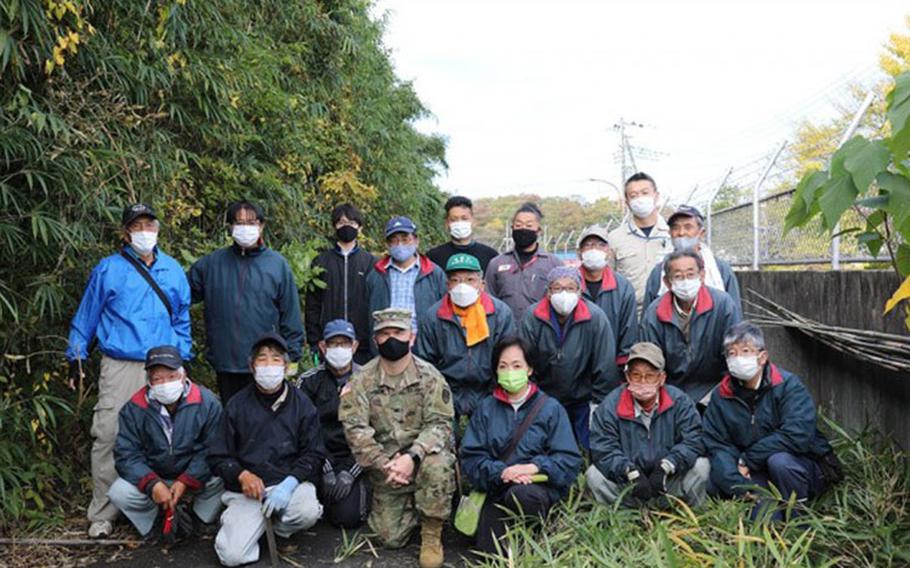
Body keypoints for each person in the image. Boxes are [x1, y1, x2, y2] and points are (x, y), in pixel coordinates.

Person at [66, 203, 192, 538]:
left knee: (168, 436)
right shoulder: (108, 270)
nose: (144, 232)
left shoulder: (173, 270)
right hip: (120, 363)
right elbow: (86, 318)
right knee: (108, 433)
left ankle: (167, 507)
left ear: (158, 228)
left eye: (149, 225)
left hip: (165, 365)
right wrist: (75, 359)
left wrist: (183, 357)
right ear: (126, 233)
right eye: (137, 226)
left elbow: (181, 319)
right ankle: (103, 514)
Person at [338, 309, 456, 568]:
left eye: (398, 332)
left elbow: (440, 424)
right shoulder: (362, 380)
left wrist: (412, 457)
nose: (392, 338)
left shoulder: (430, 376)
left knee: (438, 464)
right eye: (384, 333)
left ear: (411, 337)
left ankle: (431, 531)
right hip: (387, 469)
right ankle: (410, 505)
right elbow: (355, 430)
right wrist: (386, 464)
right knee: (388, 538)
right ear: (376, 339)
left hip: (423, 459)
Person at [703, 322, 842, 521]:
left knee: (780, 462)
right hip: (758, 473)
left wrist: (748, 458)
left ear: (762, 357)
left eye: (745, 351)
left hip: (802, 465)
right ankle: (768, 512)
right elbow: (717, 443)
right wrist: (738, 483)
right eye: (731, 353)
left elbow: (797, 435)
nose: (738, 358)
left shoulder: (788, 386)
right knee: (764, 519)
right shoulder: (721, 395)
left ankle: (799, 518)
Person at [207, 332, 325, 567]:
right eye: (262, 359)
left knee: (308, 511)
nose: (269, 365)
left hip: (287, 486)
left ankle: (278, 529)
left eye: (275, 359)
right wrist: (242, 475)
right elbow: (218, 456)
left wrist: (290, 483)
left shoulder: (302, 404)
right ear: (251, 367)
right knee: (232, 557)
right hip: (247, 492)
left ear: (286, 366)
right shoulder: (236, 405)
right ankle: (245, 526)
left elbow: (314, 453)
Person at [460, 337, 582, 555]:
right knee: (489, 553)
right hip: (497, 488)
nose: (510, 372)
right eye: (503, 366)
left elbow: (569, 459)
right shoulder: (486, 409)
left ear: (529, 369)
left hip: (535, 492)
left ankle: (539, 534)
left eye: (517, 366)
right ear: (496, 370)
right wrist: (502, 472)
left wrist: (534, 467)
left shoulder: (551, 409)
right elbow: (471, 457)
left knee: (523, 496)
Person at [188, 200, 304, 403]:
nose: (245, 228)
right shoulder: (212, 263)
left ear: (261, 226)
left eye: (251, 222)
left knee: (267, 420)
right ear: (231, 227)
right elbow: (180, 295)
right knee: (233, 419)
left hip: (265, 363)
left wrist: (292, 356)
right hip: (226, 362)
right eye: (239, 222)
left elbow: (290, 313)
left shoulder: (277, 265)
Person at [108, 346, 224, 539]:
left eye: (171, 376)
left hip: (193, 473)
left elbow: (213, 448)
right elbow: (126, 455)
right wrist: (153, 484)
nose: (165, 384)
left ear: (183, 374)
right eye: (157, 379)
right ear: (149, 381)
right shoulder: (134, 408)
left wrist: (186, 480)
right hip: (156, 474)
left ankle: (199, 519)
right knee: (119, 492)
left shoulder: (208, 402)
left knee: (222, 477)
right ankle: (154, 524)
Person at [586, 342, 709, 508]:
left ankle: (689, 516)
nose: (642, 381)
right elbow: (603, 448)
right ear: (628, 377)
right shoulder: (610, 406)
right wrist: (628, 471)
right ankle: (622, 521)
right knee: (594, 475)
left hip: (668, 482)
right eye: (636, 375)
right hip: (628, 485)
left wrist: (667, 465)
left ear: (662, 378)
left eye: (650, 375)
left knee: (701, 467)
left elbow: (694, 440)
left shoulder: (680, 401)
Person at [520, 266, 619, 449]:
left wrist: (597, 405)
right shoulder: (532, 317)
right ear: (548, 293)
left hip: (582, 399)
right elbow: (524, 362)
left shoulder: (595, 318)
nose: (564, 293)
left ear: (580, 291)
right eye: (557, 288)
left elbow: (605, 366)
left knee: (584, 449)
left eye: (570, 288)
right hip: (543, 399)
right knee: (546, 448)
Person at [415, 253, 516, 418]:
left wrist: (496, 391)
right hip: (446, 391)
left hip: (488, 390)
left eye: (470, 280)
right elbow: (425, 361)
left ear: (481, 284)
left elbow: (507, 356)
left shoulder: (499, 313)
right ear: (447, 285)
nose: (462, 286)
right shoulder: (433, 316)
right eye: (455, 280)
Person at [296, 320, 370, 529]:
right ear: (322, 347)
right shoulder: (308, 381)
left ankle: (359, 490)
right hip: (317, 456)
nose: (339, 349)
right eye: (333, 344)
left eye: (344, 344)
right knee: (308, 512)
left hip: (354, 458)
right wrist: (325, 466)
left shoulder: (368, 380)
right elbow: (304, 430)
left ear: (354, 346)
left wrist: (350, 472)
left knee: (347, 518)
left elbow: (377, 432)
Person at [641, 250, 740, 407]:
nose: (685, 281)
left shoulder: (723, 305)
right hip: (671, 393)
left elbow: (735, 351)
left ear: (702, 275)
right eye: (678, 276)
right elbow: (652, 361)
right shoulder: (654, 313)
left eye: (690, 274)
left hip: (716, 389)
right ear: (667, 282)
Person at [305, 203, 376, 365]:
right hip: (330, 342)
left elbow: (375, 303)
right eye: (342, 223)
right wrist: (315, 340)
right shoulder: (321, 261)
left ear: (359, 227)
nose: (346, 227)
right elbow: (312, 304)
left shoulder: (370, 262)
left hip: (362, 344)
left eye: (351, 223)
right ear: (334, 226)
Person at [642, 205, 742, 317]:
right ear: (670, 233)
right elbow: (648, 317)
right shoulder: (659, 272)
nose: (681, 233)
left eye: (688, 227)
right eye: (675, 228)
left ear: (701, 233)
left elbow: (734, 314)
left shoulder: (720, 270)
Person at [365, 216, 446, 344]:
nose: (400, 245)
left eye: (405, 239)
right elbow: (367, 311)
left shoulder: (434, 273)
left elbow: (444, 310)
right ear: (387, 245)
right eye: (394, 241)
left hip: (424, 345)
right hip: (386, 344)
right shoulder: (376, 274)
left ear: (416, 240)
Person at [485, 202, 562, 327]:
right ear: (512, 228)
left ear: (539, 230)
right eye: (518, 225)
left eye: (529, 225)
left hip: (541, 331)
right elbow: (488, 299)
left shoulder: (554, 264)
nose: (523, 229)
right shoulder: (496, 263)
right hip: (505, 333)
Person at [576, 225, 639, 371]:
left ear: (609, 252)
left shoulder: (623, 287)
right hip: (575, 368)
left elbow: (629, 332)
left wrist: (621, 367)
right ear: (579, 253)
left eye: (601, 245)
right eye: (588, 245)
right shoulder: (569, 285)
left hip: (610, 368)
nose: (594, 249)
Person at [607, 172, 673, 312]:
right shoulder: (615, 238)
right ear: (627, 202)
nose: (640, 199)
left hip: (669, 312)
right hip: (632, 315)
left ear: (656, 195)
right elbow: (608, 279)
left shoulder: (672, 233)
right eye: (633, 195)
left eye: (645, 193)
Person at [426, 196, 499, 273]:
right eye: (454, 220)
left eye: (464, 219)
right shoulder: (433, 257)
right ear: (447, 223)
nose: (459, 223)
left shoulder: (491, 256)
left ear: (473, 221)